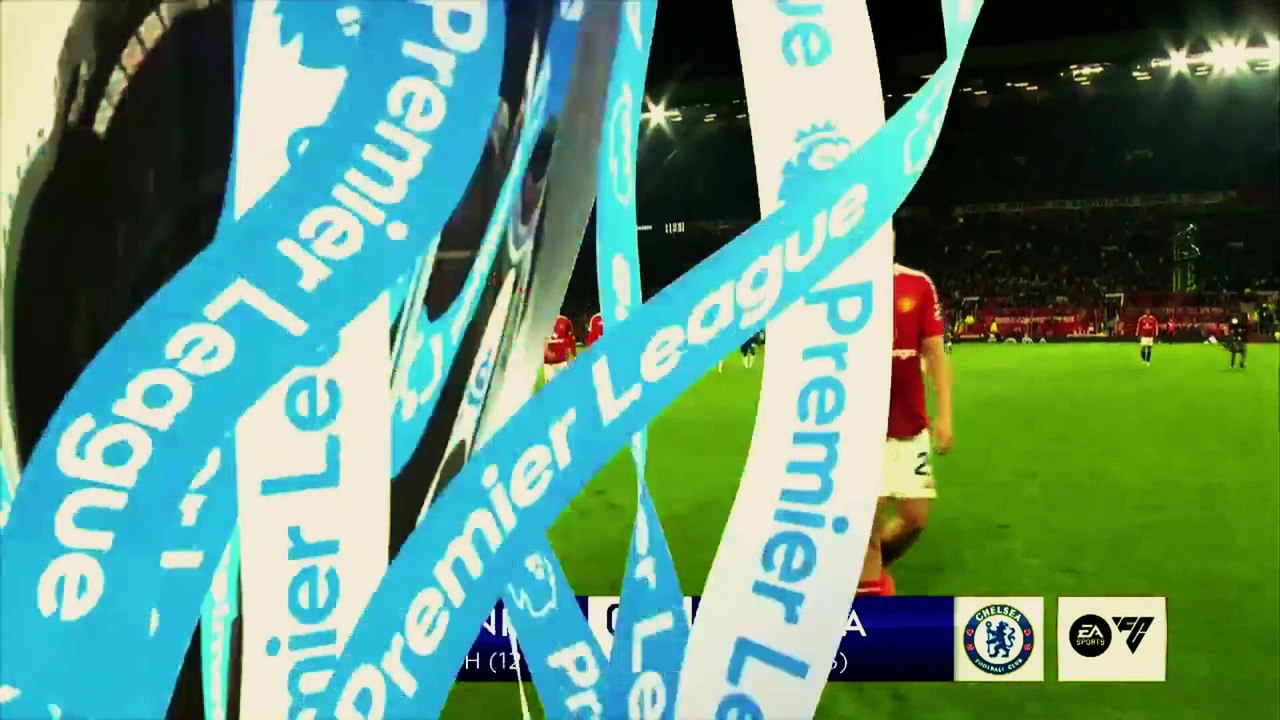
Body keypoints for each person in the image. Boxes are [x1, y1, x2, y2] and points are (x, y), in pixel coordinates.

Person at [861, 264, 954, 595]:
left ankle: (858, 571)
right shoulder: (844, 283)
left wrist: (945, 415)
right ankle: (868, 587)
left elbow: (935, 352)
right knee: (870, 519)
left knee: (915, 517)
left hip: (910, 424)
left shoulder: (917, 283)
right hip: (863, 427)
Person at [544, 315, 576, 381]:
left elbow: (554, 337)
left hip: (553, 359)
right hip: (561, 358)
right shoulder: (568, 331)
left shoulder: (559, 324)